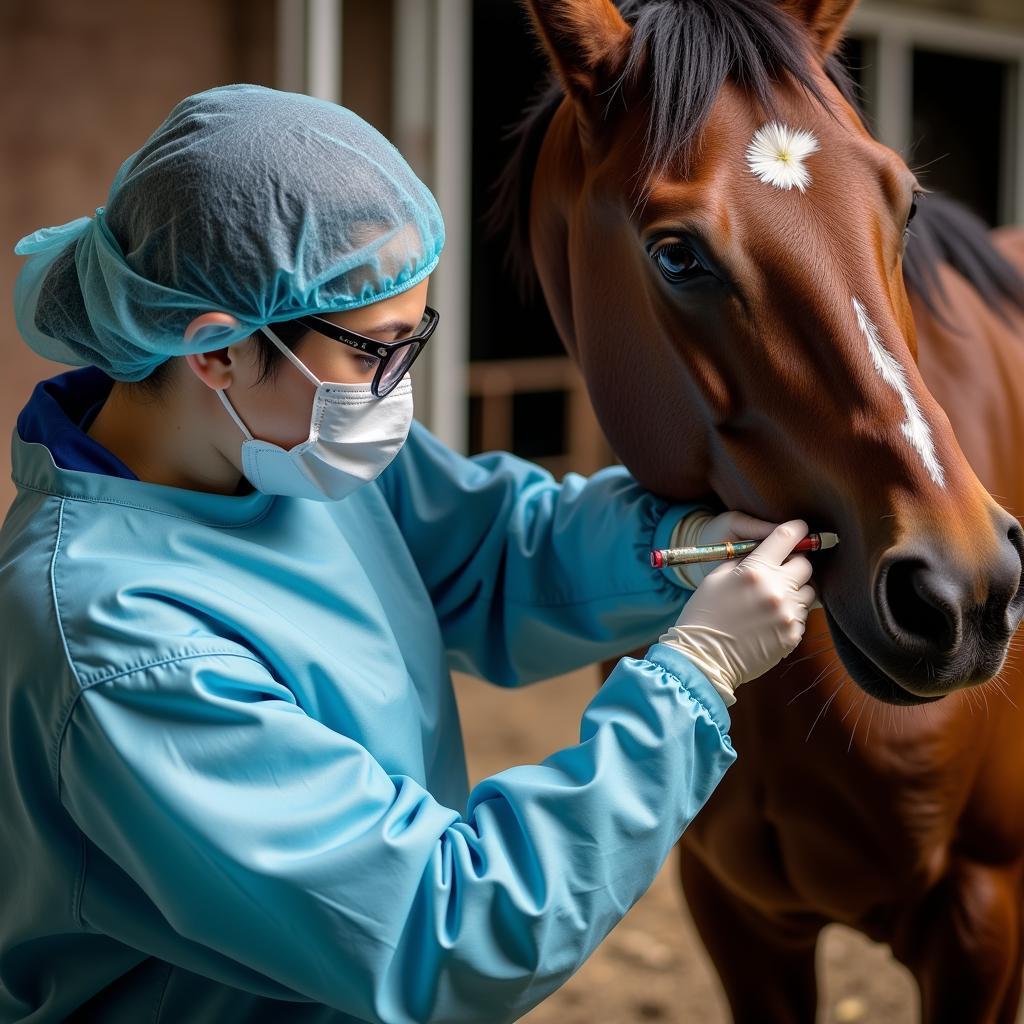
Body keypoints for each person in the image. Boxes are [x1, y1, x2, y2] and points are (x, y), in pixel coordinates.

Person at [0, 85, 816, 1024]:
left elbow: (496, 550)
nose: (395, 394)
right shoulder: (121, 645)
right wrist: (691, 680)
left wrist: (673, 547)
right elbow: (447, 928)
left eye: (411, 342)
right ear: (215, 350)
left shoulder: (281, 453)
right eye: (374, 354)